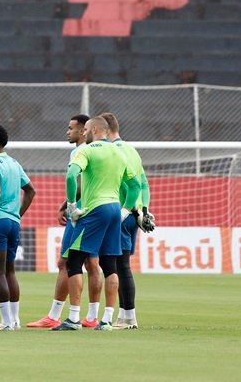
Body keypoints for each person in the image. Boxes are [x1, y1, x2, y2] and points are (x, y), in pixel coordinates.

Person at [53, 116, 141, 332]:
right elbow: (135, 185)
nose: (84, 133)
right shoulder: (119, 152)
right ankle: (107, 320)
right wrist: (125, 210)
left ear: (94, 130)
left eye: (86, 130)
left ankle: (73, 318)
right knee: (110, 264)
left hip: (94, 209)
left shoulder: (87, 150)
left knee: (74, 261)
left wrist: (71, 205)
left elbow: (71, 175)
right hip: (114, 209)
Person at [27, 114, 103, 329]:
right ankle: (92, 317)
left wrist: (68, 205)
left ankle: (55, 315)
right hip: (98, 209)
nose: (67, 132)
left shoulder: (80, 151)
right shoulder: (99, 151)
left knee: (66, 262)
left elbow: (76, 182)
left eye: (71, 128)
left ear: (83, 130)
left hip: (80, 212)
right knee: (92, 263)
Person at [0, 123, 36, 331]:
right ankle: (15, 320)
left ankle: (5, 322)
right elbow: (30, 190)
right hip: (13, 222)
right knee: (9, 271)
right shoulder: (14, 163)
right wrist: (17, 214)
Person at [104, 112, 152, 330]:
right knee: (121, 264)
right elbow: (143, 183)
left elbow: (126, 184)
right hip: (135, 214)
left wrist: (126, 209)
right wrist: (144, 211)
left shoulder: (113, 151)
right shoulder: (131, 149)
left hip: (123, 213)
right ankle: (124, 316)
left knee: (120, 266)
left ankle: (129, 317)